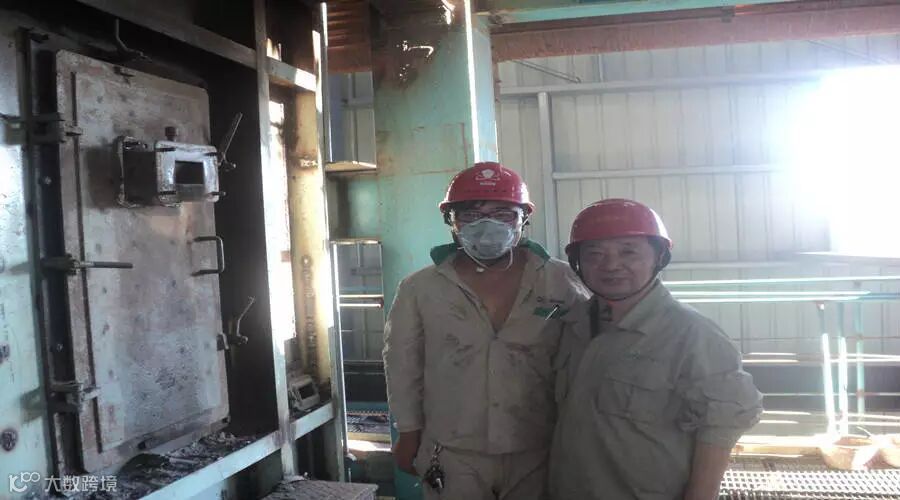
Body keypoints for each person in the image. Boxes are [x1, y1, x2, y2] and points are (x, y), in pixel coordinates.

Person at [383, 162, 588, 500]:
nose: (487, 226)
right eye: (471, 215)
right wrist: (408, 433)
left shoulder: (560, 281)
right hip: (452, 450)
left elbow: (586, 358)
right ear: (451, 221)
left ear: (524, 218)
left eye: (502, 214)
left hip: (537, 446)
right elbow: (402, 366)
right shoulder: (420, 288)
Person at [549, 199, 763, 500]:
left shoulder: (692, 334)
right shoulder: (572, 326)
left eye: (628, 252)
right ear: (577, 264)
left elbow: (723, 422)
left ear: (658, 257)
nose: (611, 265)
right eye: (594, 254)